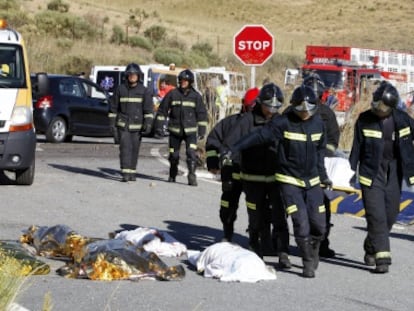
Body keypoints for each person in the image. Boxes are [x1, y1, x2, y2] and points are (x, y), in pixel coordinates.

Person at [230, 85, 331, 278]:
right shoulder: (283, 123)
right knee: (300, 222)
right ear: (293, 107)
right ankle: (307, 260)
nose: (304, 114)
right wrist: (235, 148)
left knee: (319, 225)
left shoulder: (319, 124)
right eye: (301, 110)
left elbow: (320, 153)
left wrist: (324, 176)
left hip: (313, 181)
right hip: (289, 180)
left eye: (308, 110)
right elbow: (258, 136)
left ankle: (314, 246)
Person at [349, 81, 414, 274]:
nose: (378, 109)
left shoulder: (403, 120)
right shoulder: (364, 119)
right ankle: (382, 259)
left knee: (390, 213)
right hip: (371, 171)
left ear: (392, 107)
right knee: (376, 214)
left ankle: (372, 245)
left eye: (383, 106)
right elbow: (356, 149)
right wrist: (351, 172)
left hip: (394, 170)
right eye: (376, 104)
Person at [226, 83, 291, 269]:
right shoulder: (247, 121)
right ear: (260, 103)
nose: (271, 111)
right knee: (255, 215)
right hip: (252, 178)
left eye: (275, 108)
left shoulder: (281, 121)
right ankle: (255, 246)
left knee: (279, 216)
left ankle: (283, 251)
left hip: (275, 177)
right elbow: (233, 143)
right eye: (268, 107)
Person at [205, 87, 259, 242]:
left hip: (254, 175)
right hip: (231, 172)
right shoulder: (229, 123)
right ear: (244, 104)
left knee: (256, 208)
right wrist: (213, 162)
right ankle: (227, 233)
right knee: (227, 205)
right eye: (249, 107)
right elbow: (213, 141)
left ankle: (255, 237)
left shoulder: (265, 125)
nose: (251, 111)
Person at [303, 73, 340, 258]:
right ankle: (279, 240)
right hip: (297, 167)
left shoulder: (327, 114)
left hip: (320, 167)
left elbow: (333, 141)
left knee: (322, 206)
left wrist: (323, 155)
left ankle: (322, 242)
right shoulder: (293, 111)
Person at [154, 69, 208, 186]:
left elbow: (202, 114)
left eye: (186, 81)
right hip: (175, 131)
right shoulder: (172, 94)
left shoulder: (196, 96)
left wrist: (202, 130)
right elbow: (162, 110)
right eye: (181, 80)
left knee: (191, 153)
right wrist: (158, 127)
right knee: (174, 155)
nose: (183, 82)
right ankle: (173, 173)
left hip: (190, 132)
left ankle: (192, 175)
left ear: (190, 82)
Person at [110, 63, 154, 182]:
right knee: (125, 149)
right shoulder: (120, 89)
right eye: (130, 75)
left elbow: (148, 110)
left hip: (137, 127)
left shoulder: (144, 91)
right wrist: (112, 125)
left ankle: (132, 172)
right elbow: (113, 109)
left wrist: (148, 123)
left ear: (138, 76)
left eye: (134, 75)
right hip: (123, 126)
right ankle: (125, 172)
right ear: (127, 76)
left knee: (135, 149)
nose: (132, 76)